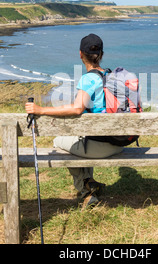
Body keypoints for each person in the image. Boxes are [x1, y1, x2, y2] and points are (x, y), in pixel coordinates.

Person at [25, 33, 123, 207]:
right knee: (83, 139)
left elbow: (77, 108)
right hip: (118, 143)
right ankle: (89, 181)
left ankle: (85, 191)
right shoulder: (112, 75)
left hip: (101, 146)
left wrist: (41, 110)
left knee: (58, 141)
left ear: (80, 54)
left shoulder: (88, 79)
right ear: (101, 54)